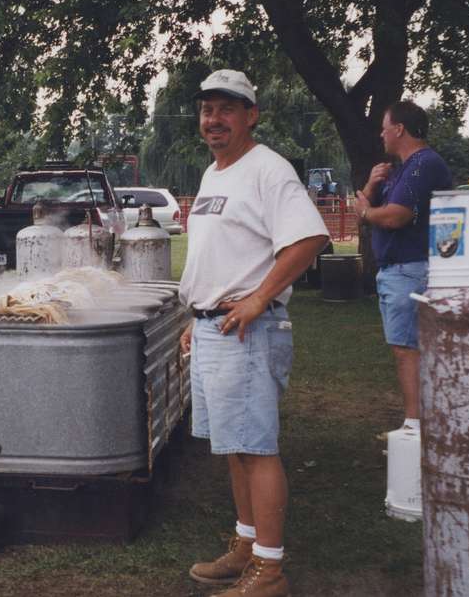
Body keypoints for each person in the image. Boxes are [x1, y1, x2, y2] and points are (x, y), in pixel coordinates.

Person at [179, 70, 329, 597]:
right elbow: (216, 255)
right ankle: (246, 544)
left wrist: (260, 297)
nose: (214, 120)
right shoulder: (214, 174)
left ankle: (270, 570)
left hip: (249, 329)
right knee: (235, 447)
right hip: (215, 327)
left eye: (226, 109)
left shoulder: (268, 169)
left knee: (257, 447)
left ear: (251, 115)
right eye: (206, 110)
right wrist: (194, 320)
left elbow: (309, 238)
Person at [355, 100, 452, 434]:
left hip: (410, 269)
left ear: (399, 129)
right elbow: (367, 207)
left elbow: (394, 216)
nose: (381, 134)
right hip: (399, 271)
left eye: (384, 127)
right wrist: (370, 188)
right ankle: (423, 420)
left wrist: (368, 212)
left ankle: (416, 424)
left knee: (407, 349)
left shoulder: (422, 164)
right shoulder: (402, 169)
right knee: (405, 347)